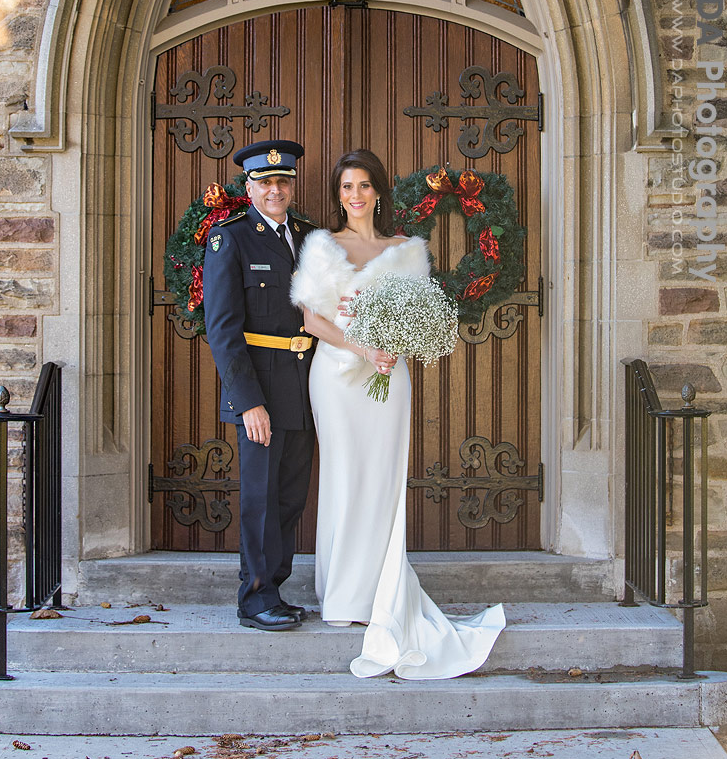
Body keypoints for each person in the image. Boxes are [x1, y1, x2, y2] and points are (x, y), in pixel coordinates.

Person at [290, 149, 506, 679]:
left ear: (378, 191)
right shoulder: (322, 245)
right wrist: (364, 349)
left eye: (364, 186)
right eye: (346, 188)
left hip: (390, 376)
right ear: (338, 195)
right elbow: (313, 320)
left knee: (383, 480)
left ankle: (377, 592)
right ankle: (341, 595)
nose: (355, 196)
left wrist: (396, 345)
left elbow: (418, 315)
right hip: (338, 377)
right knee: (344, 476)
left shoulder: (407, 249)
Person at [202, 139, 317, 631]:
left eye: (283, 181)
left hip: (305, 384)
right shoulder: (230, 239)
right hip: (260, 389)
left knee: (290, 496)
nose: (275, 189)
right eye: (265, 182)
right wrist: (247, 402)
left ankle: (276, 587)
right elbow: (223, 329)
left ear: (292, 185)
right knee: (260, 497)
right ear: (248, 187)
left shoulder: (310, 238)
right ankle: (254, 598)